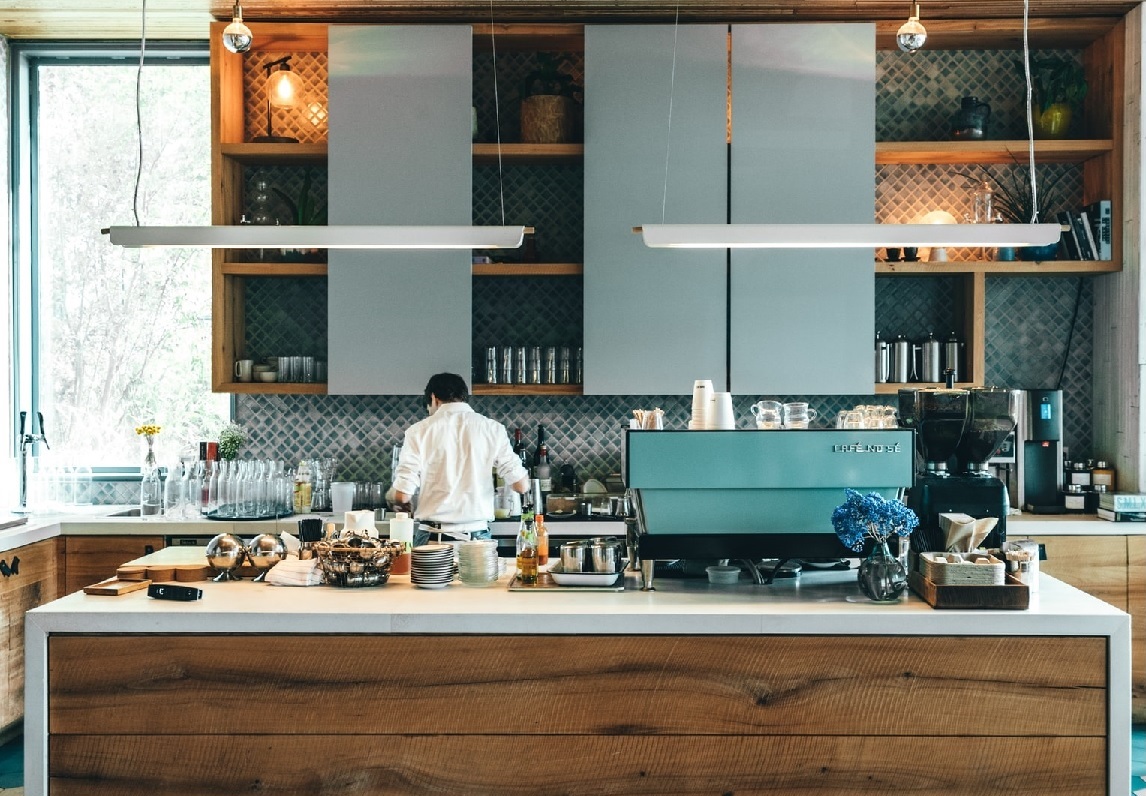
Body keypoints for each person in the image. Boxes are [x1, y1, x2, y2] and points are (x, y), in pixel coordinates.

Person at [391, 373, 530, 546]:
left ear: (434, 398)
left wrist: (394, 498)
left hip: (434, 540)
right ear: (463, 397)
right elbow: (521, 485)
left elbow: (403, 495)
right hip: (478, 540)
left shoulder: (418, 431)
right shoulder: (493, 429)